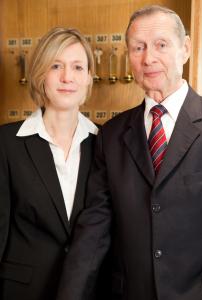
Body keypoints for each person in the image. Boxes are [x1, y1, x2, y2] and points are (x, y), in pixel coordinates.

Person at [57, 5, 202, 300]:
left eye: (161, 45)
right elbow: (95, 227)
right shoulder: (110, 135)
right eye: (138, 47)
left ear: (184, 49)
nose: (149, 58)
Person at [0, 27, 98, 300]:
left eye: (78, 67)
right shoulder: (6, 143)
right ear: (40, 74)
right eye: (56, 66)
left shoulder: (107, 143)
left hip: (88, 291)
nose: (68, 77)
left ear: (89, 77)